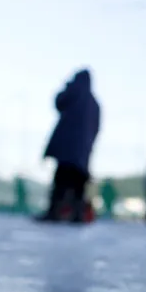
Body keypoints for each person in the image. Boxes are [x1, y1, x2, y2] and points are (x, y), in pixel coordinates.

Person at [37, 69, 101, 223]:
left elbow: (59, 102)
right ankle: (77, 215)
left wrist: (67, 86)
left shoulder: (74, 92)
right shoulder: (95, 104)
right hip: (83, 153)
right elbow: (97, 128)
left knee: (61, 182)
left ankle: (54, 213)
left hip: (67, 150)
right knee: (78, 186)